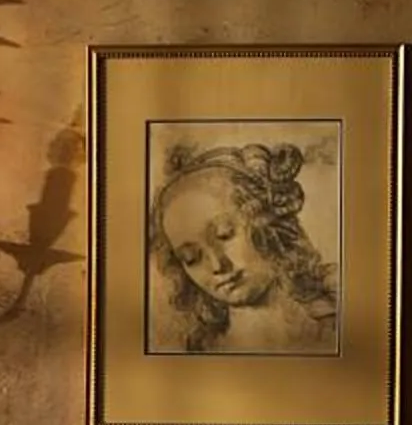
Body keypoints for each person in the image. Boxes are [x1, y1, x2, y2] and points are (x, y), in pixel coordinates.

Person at [145, 142, 340, 355]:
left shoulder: (338, 309)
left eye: (224, 235)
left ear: (265, 221)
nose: (218, 265)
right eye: (191, 257)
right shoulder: (204, 345)